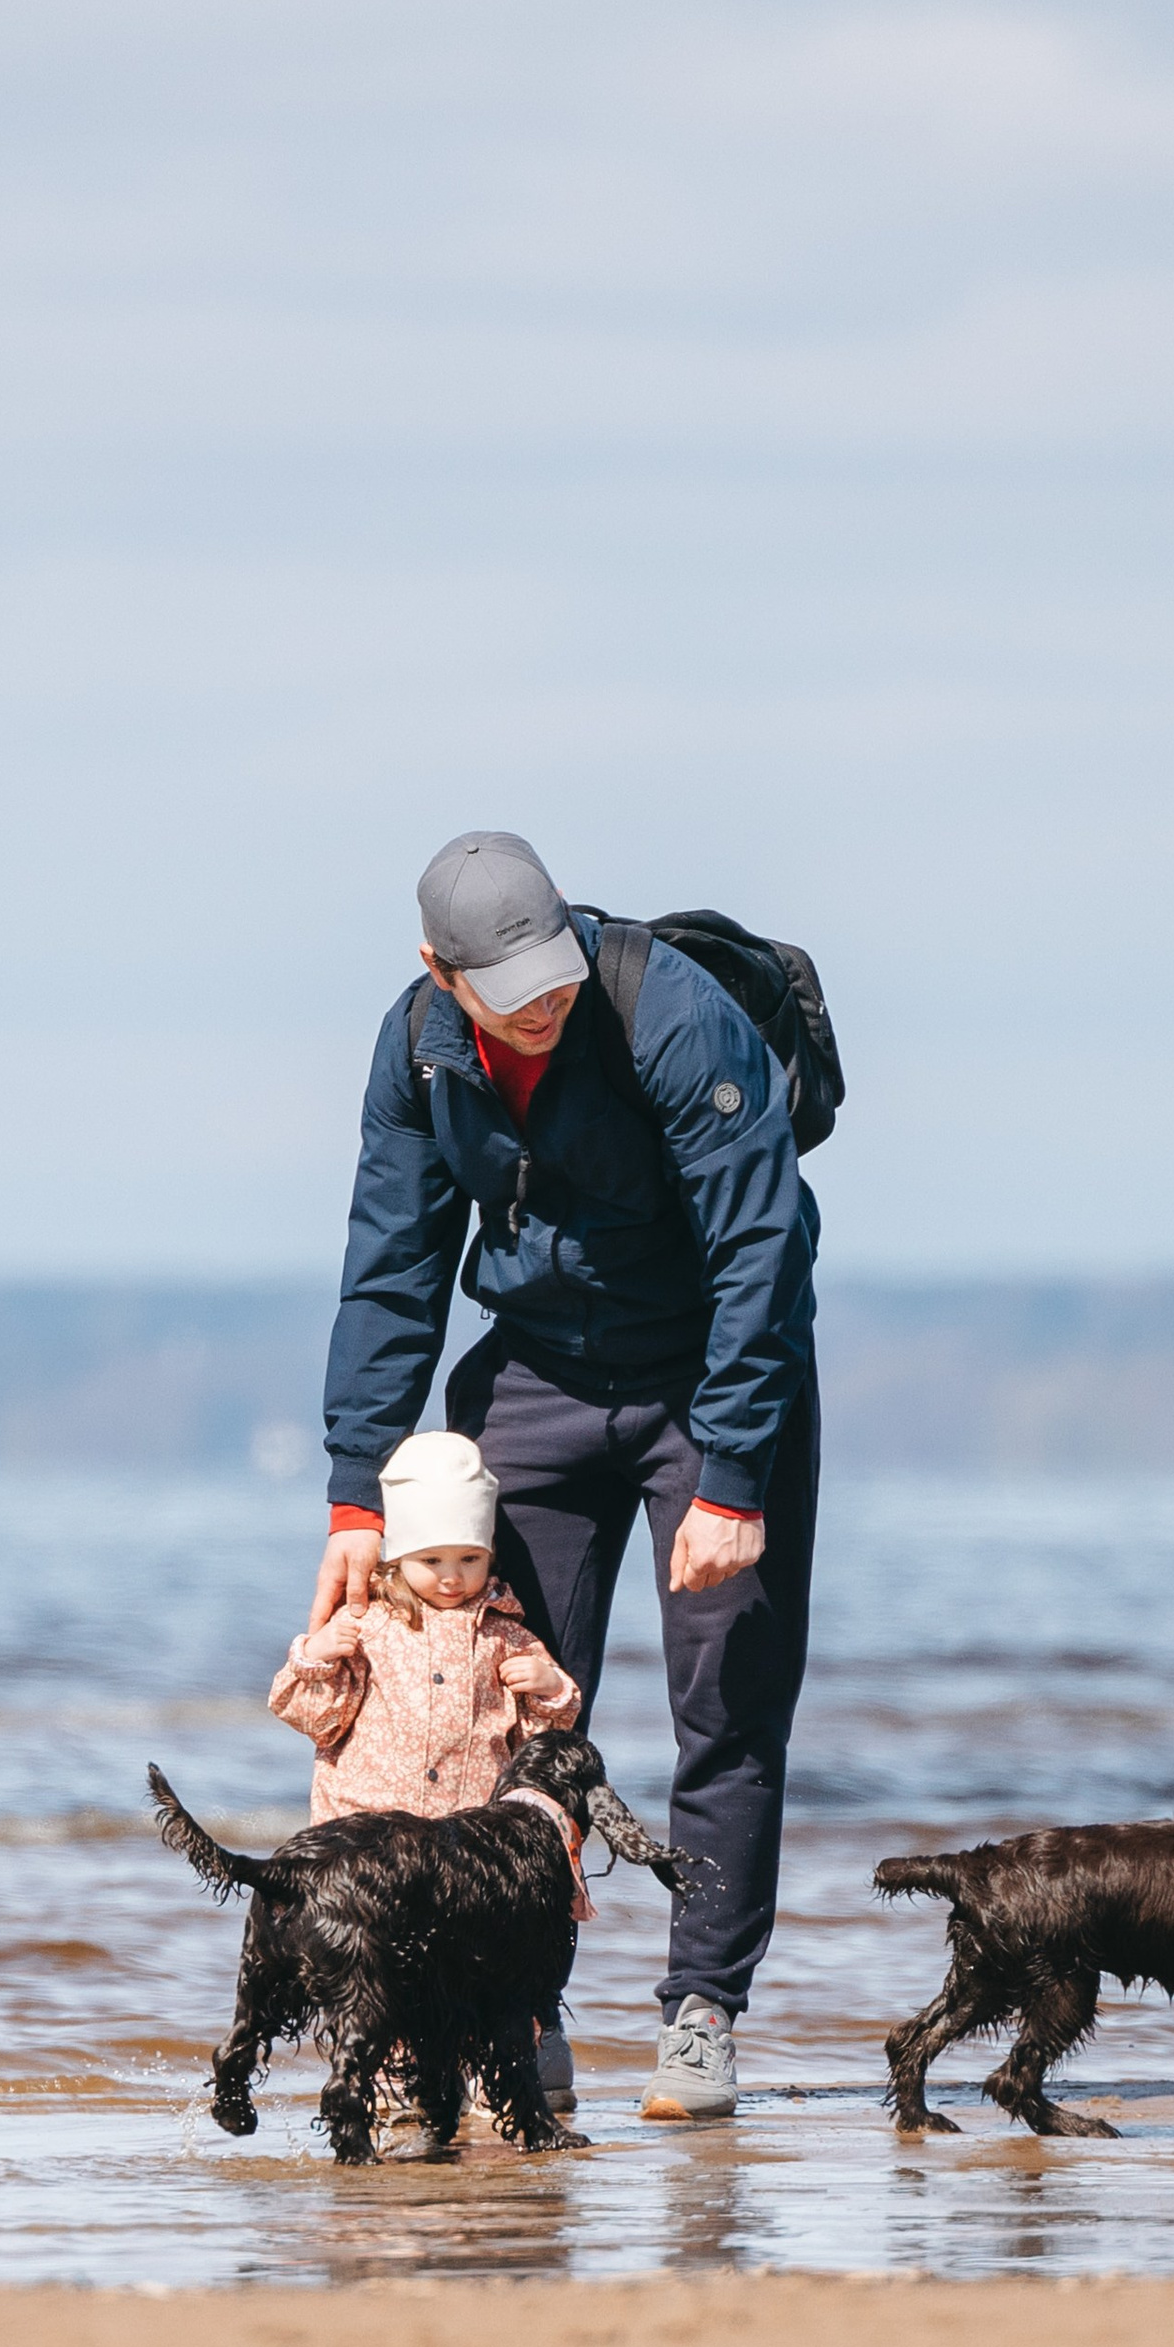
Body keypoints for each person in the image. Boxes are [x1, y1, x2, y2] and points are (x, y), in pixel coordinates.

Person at [311, 829, 820, 2122]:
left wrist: (735, 1473)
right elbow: (392, 1265)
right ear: (440, 970)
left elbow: (764, 1247)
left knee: (728, 1705)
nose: (542, 1003)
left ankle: (702, 2013)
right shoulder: (419, 1048)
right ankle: (519, 2014)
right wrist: (359, 1490)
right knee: (507, 1706)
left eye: (552, 973)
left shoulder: (672, 1015)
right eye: (508, 988)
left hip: (708, 1375)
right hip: (536, 1373)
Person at [269, 1428, 581, 1823]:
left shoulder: (504, 1635)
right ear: (398, 1558)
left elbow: (535, 1743)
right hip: (367, 1829)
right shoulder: (368, 1624)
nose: (452, 1577)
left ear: (490, 1556)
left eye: (470, 1559)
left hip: (468, 1831)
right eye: (432, 1561)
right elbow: (315, 1722)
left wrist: (550, 1689)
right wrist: (316, 1657)